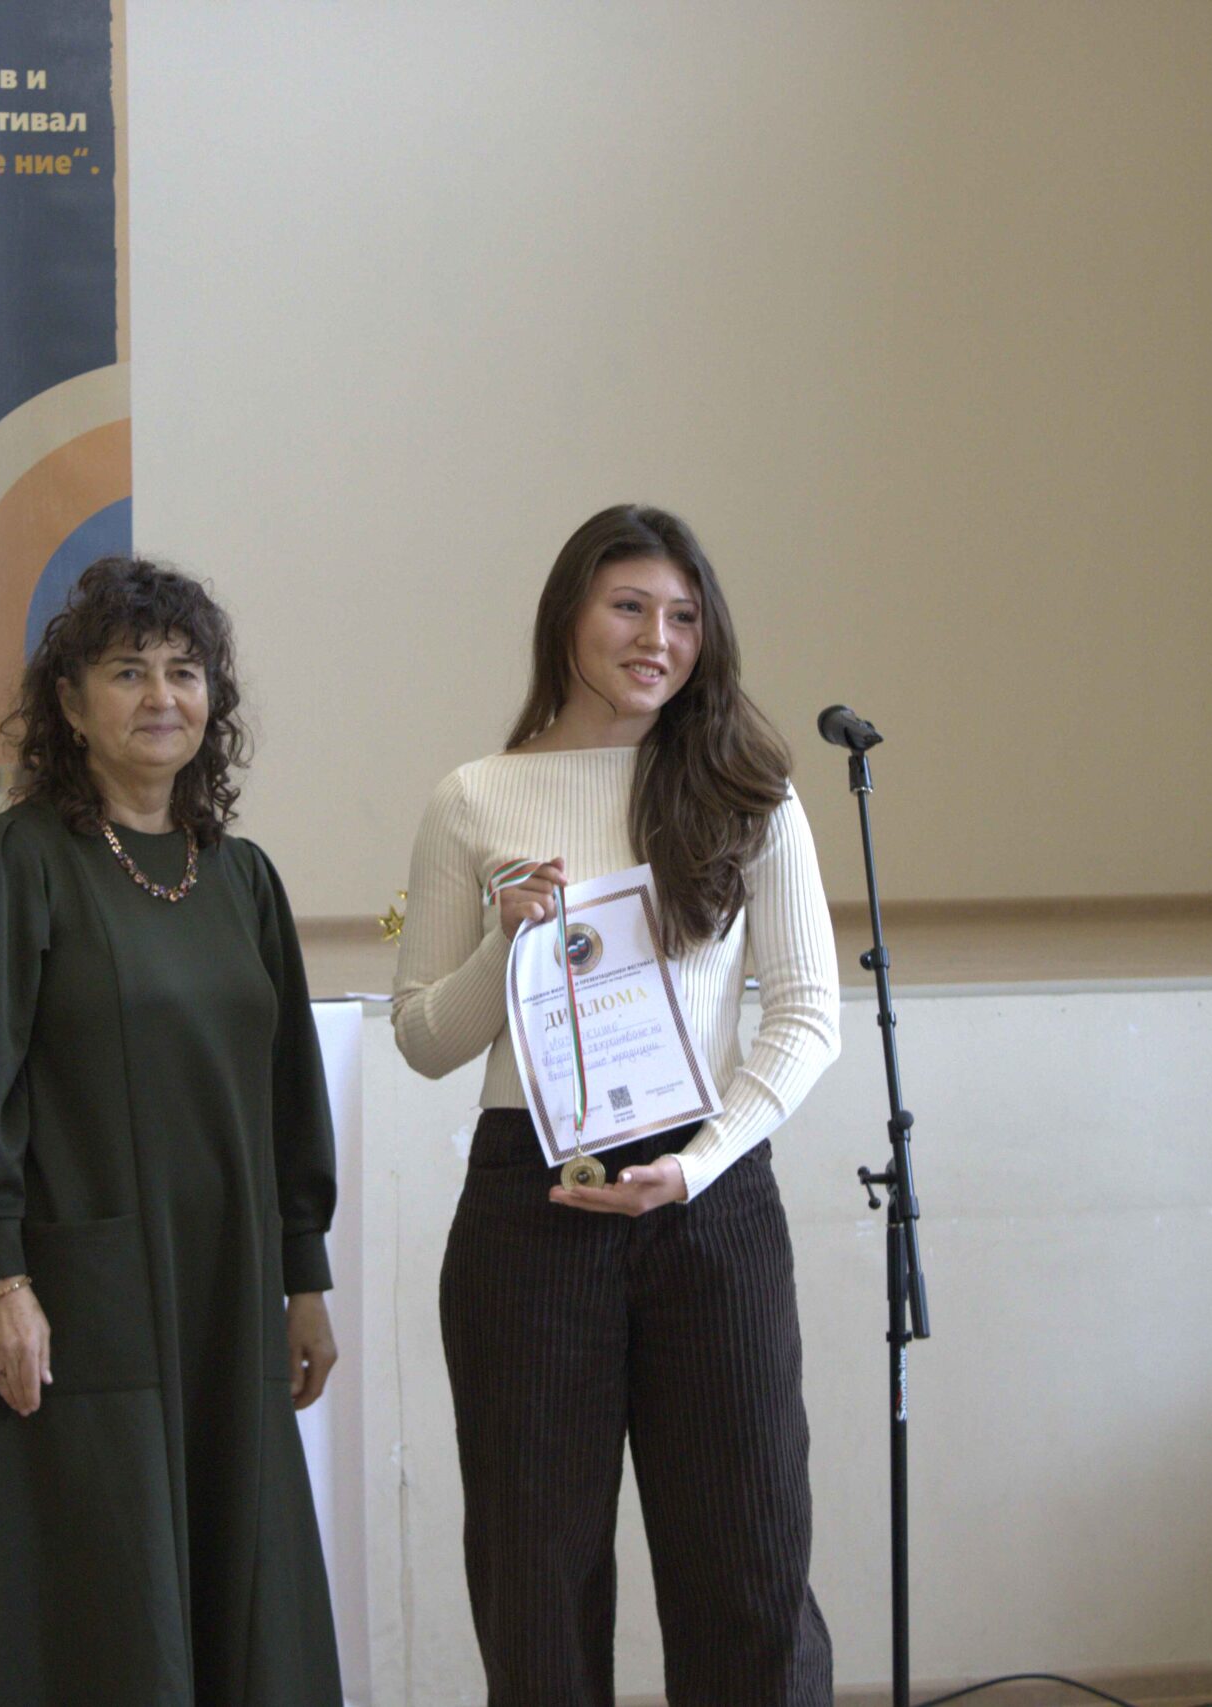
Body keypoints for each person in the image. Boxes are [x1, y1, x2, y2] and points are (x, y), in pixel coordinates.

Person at [393, 504, 843, 1704]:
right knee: (533, 1580)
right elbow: (424, 1039)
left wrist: (698, 1163)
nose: (658, 639)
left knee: (748, 1567)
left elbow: (809, 1016)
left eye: (684, 616)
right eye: (629, 607)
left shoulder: (749, 788)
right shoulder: (476, 798)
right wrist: (504, 945)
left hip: (709, 1198)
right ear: (568, 618)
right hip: (531, 1203)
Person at [0, 556, 342, 1705]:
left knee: (239, 1598)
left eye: (184, 671)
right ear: (69, 703)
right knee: (105, 1612)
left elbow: (288, 1093)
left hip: (227, 1297)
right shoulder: (16, 863)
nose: (161, 696)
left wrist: (303, 1276)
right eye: (127, 671)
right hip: (75, 1302)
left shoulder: (243, 880)